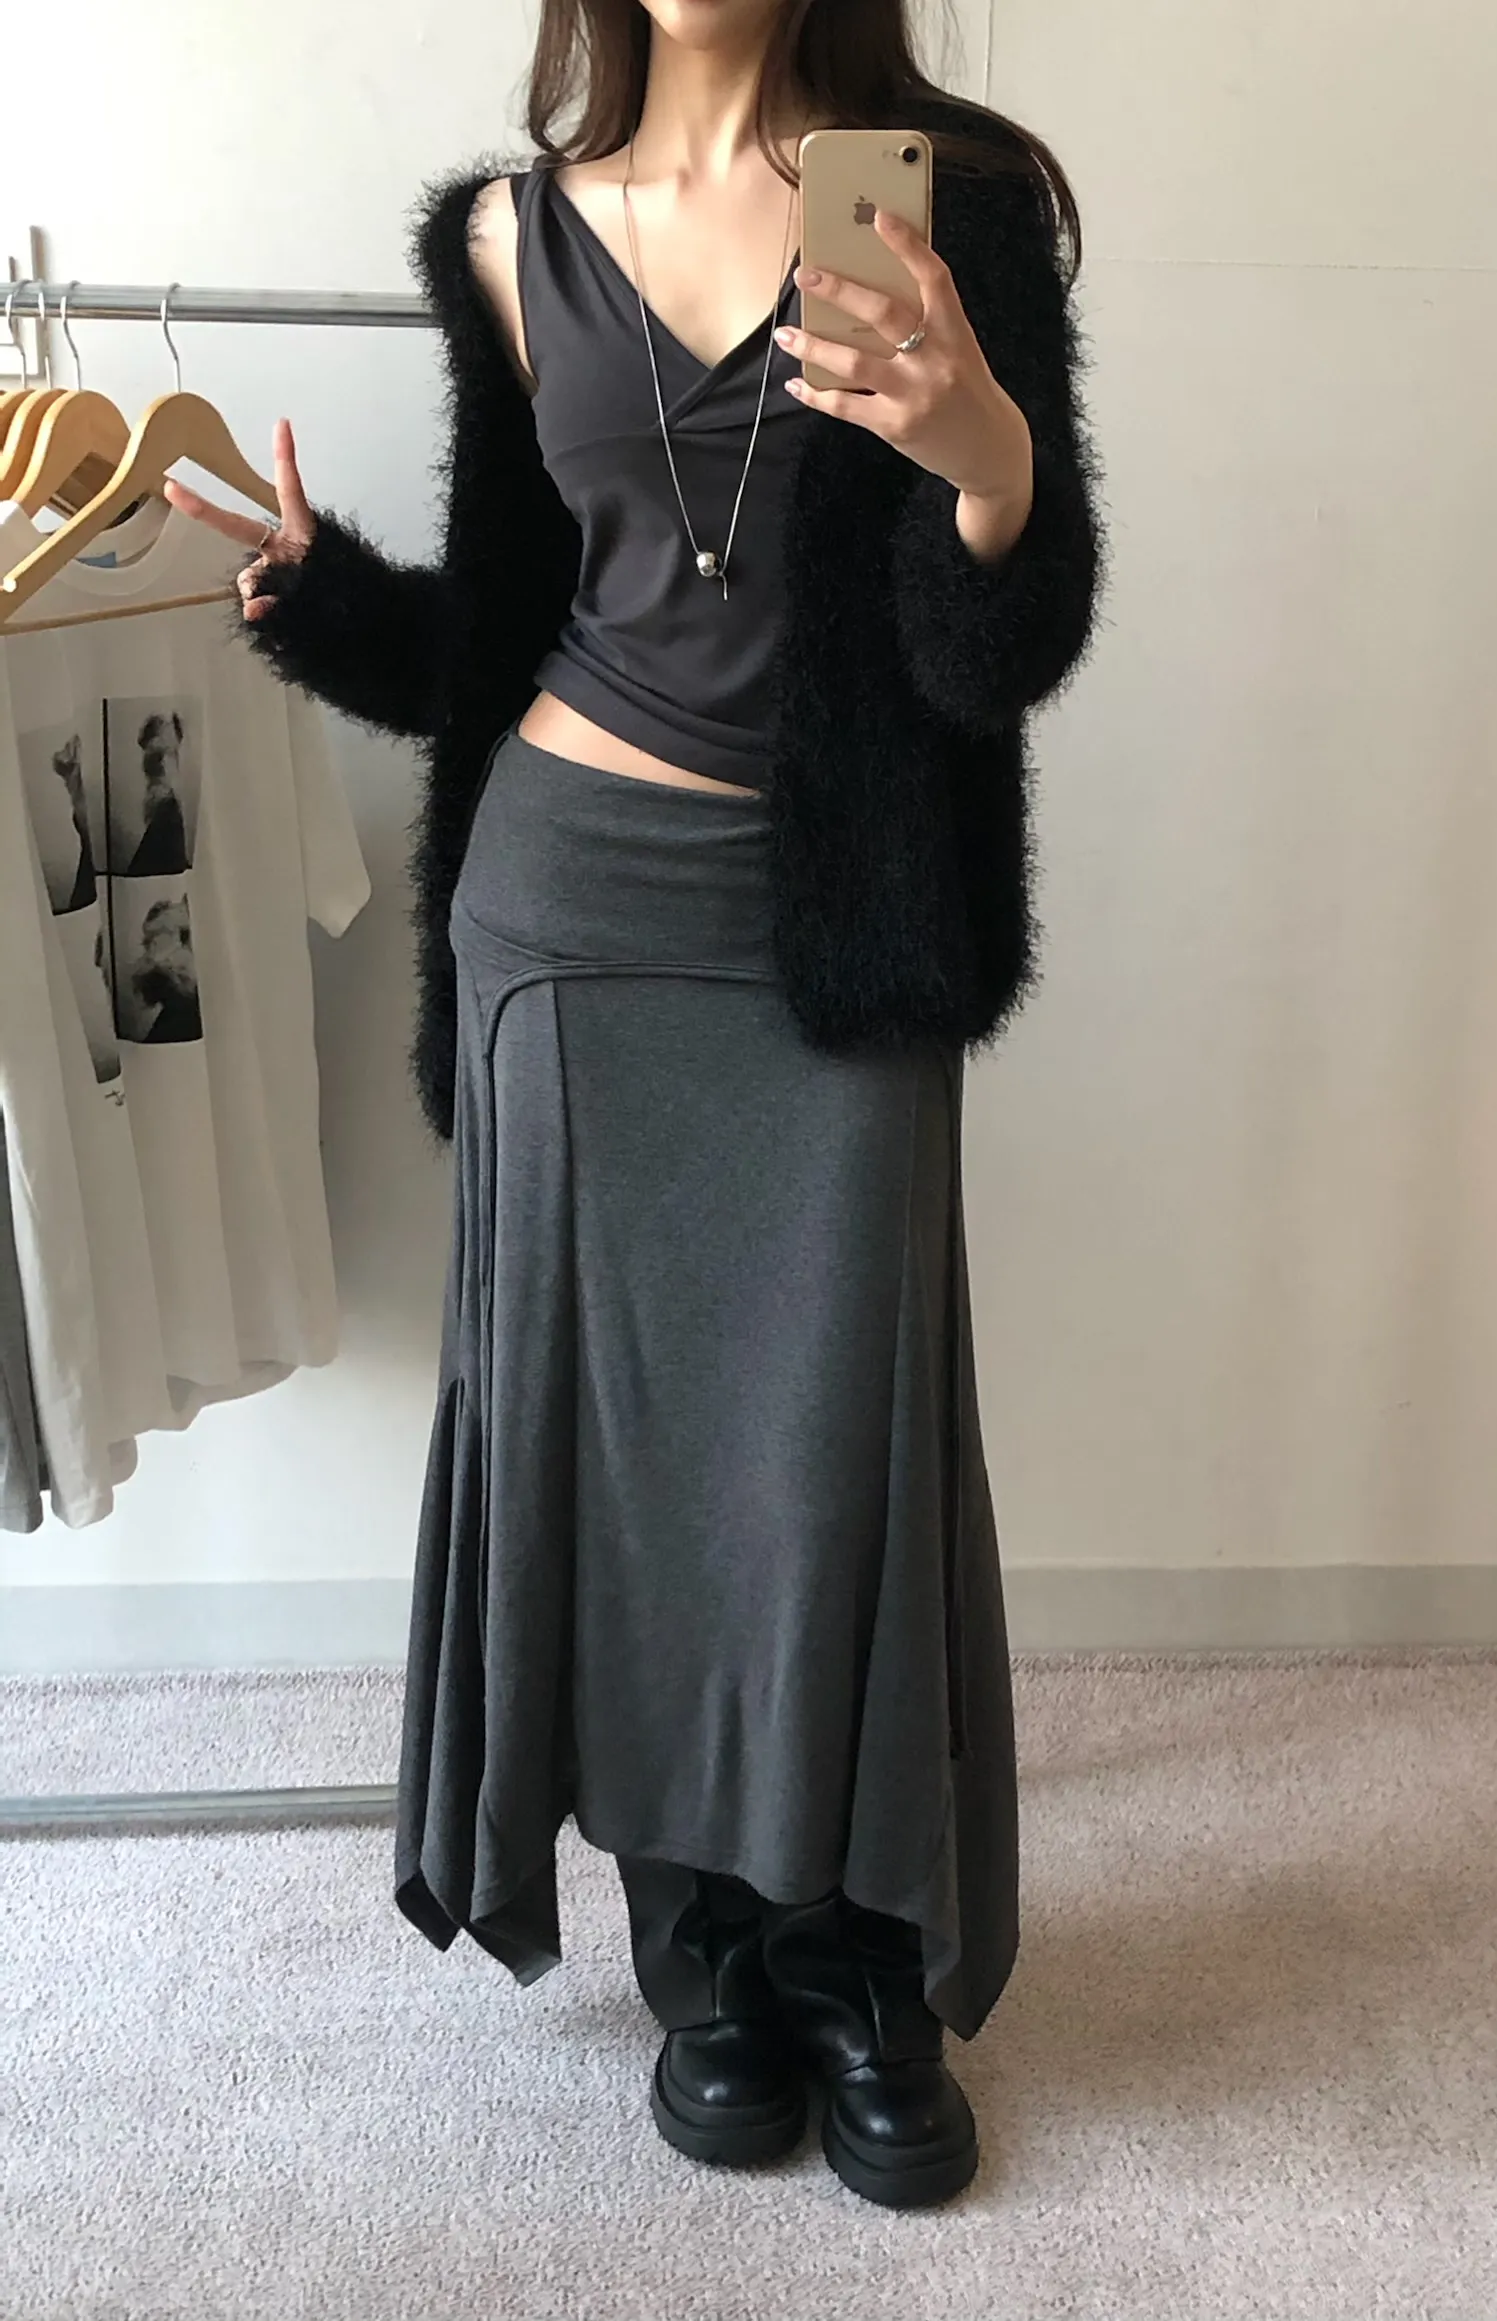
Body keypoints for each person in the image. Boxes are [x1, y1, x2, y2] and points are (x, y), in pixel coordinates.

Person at [166, 0, 1101, 2212]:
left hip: (836, 929)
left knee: (826, 1462)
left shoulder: (954, 207)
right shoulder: (506, 240)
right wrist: (322, 600)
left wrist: (987, 459)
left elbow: (992, 659)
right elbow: (511, 633)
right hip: (566, 919)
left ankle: (858, 1953)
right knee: (619, 1453)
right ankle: (702, 1950)